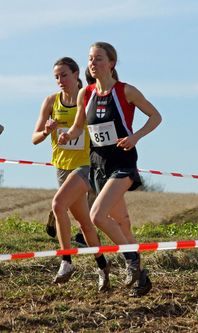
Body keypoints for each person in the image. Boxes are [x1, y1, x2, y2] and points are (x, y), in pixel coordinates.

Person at [59, 42, 162, 297]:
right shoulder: (87, 93)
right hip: (98, 165)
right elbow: (78, 127)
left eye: (98, 59)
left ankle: (131, 260)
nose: (93, 64)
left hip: (123, 163)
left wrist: (136, 136)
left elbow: (156, 116)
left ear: (112, 63)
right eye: (90, 59)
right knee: (122, 223)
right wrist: (66, 136)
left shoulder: (126, 91)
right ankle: (142, 277)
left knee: (97, 215)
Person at [32, 57, 110, 290]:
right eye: (56, 76)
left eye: (64, 75)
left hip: (84, 165)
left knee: (58, 205)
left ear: (76, 74)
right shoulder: (50, 101)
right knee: (85, 224)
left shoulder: (88, 98)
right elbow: (34, 138)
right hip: (62, 168)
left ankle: (66, 260)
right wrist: (46, 132)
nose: (60, 81)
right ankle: (103, 266)